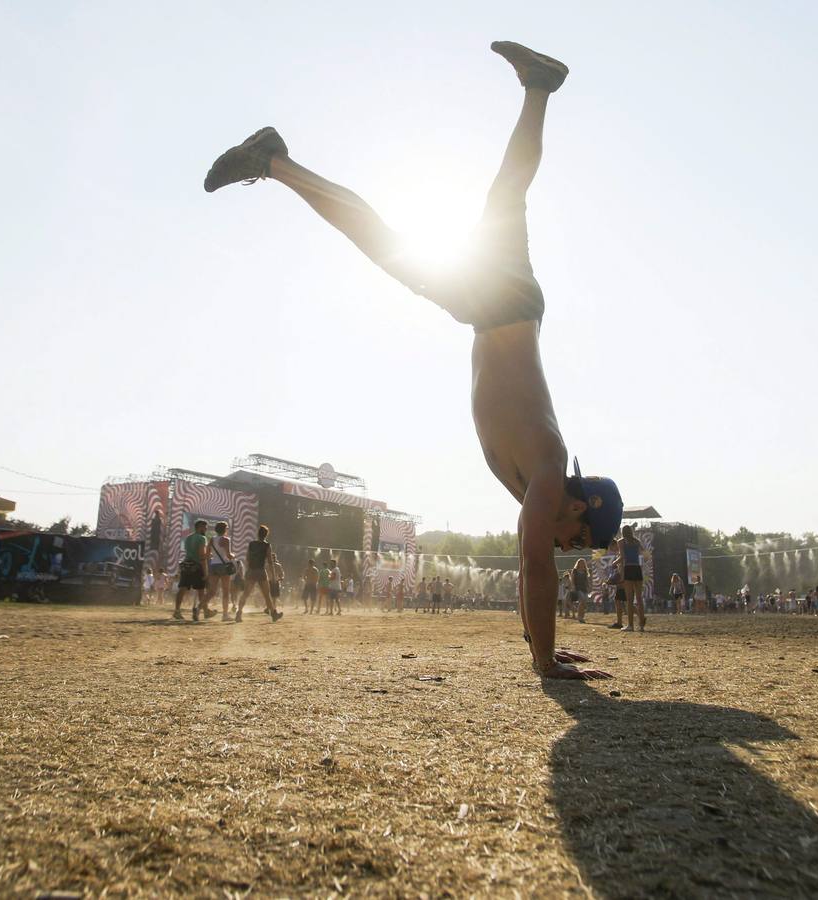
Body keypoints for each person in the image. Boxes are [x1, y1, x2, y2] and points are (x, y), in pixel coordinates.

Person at [204, 40, 621, 679]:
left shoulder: (536, 485)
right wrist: (547, 669)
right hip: (500, 305)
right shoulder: (547, 464)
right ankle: (276, 160)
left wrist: (543, 648)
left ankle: (538, 87)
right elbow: (536, 566)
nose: (569, 550)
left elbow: (528, 565)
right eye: (579, 540)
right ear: (583, 507)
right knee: (389, 239)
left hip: (501, 306)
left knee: (497, 195)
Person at [236, 524, 283, 622]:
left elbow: (247, 558)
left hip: (251, 571)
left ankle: (239, 613)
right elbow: (270, 562)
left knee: (245, 594)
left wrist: (248, 570)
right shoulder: (267, 545)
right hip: (261, 571)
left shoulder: (251, 544)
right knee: (267, 595)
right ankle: (274, 614)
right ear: (266, 535)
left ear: (258, 534)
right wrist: (273, 576)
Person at [174, 520, 213, 621]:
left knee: (182, 589)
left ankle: (177, 611)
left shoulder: (188, 538)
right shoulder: (202, 538)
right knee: (201, 590)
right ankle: (204, 611)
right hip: (197, 566)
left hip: (186, 565)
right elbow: (201, 556)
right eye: (205, 527)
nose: (206, 529)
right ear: (200, 527)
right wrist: (206, 572)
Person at [206, 521, 238, 621]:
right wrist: (234, 555)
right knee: (225, 591)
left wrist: (214, 556)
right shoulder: (226, 539)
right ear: (224, 530)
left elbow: (208, 554)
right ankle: (225, 615)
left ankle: (199, 608)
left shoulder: (211, 539)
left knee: (212, 591)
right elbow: (228, 555)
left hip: (213, 565)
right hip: (223, 566)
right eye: (227, 528)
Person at [617, 525, 646, 632]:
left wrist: (614, 563)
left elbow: (622, 557)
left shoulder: (621, 542)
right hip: (637, 568)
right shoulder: (637, 541)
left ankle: (630, 625)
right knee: (639, 599)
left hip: (628, 568)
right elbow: (643, 552)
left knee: (629, 599)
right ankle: (642, 625)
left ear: (622, 532)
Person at [571, 557, 590, 623]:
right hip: (578, 588)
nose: (582, 564)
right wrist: (573, 586)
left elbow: (587, 580)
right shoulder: (574, 570)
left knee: (584, 604)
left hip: (584, 588)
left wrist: (589, 586)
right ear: (578, 563)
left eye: (583, 563)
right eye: (580, 563)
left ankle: (582, 616)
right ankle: (579, 617)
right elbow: (572, 579)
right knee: (582, 601)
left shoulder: (585, 571)